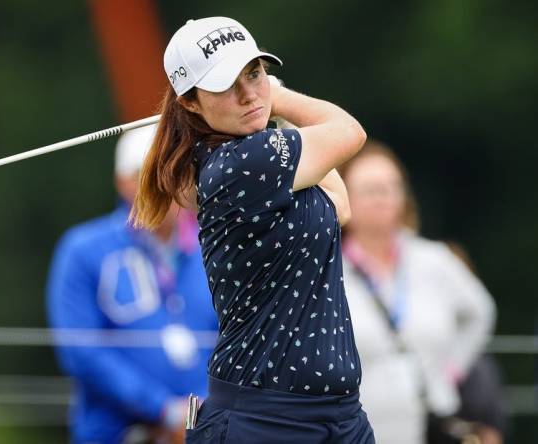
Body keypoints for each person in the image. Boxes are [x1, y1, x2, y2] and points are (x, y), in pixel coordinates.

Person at [131, 16, 374, 443]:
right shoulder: (240, 164)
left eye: (255, 74)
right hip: (265, 419)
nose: (248, 94)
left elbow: (339, 206)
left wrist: (270, 111)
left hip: (338, 416)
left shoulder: (258, 158)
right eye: (227, 85)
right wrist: (278, 99)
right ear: (189, 102)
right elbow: (349, 132)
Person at [46, 124, 218, 444]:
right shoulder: (83, 249)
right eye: (151, 173)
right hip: (116, 433)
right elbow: (81, 351)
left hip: (210, 430)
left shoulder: (214, 245)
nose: (167, 184)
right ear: (123, 182)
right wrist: (163, 411)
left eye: (177, 171)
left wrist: (206, 411)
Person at [337, 140, 497, 444]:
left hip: (429, 424)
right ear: (346, 197)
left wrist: (449, 370)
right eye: (370, 190)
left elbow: (481, 313)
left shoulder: (434, 260)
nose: (382, 199)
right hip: (357, 428)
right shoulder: (330, 269)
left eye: (390, 188)